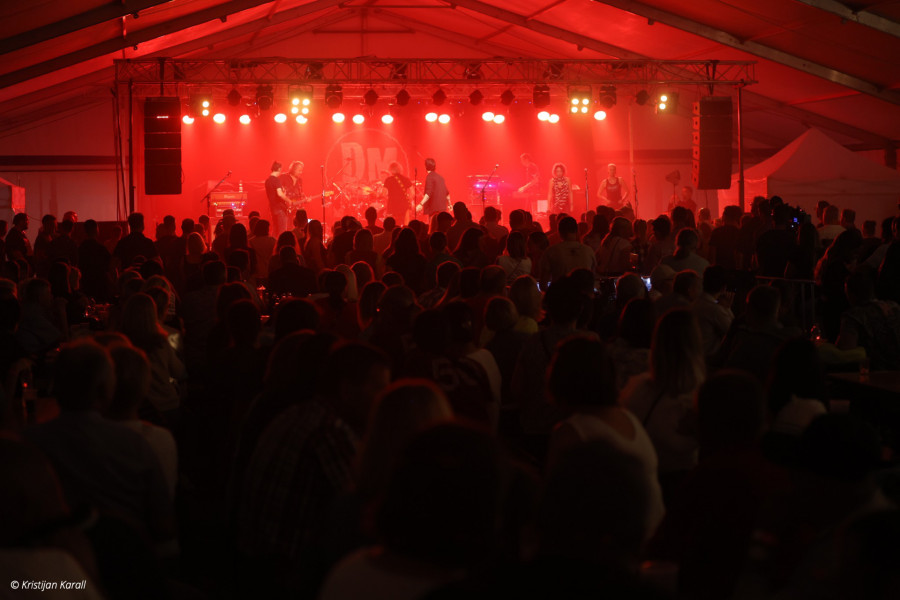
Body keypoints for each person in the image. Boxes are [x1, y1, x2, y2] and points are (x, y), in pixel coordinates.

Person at [546, 337, 665, 539]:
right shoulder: (627, 417)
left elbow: (554, 508)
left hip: (615, 546)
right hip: (650, 538)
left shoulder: (573, 433)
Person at [537, 216, 597, 289]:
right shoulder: (589, 251)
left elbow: (543, 284)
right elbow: (593, 279)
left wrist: (552, 294)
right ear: (577, 231)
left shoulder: (551, 251)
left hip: (561, 294)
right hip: (583, 294)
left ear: (559, 232)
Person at [266, 161, 291, 236]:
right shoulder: (276, 180)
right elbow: (279, 194)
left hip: (273, 209)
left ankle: (273, 243)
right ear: (279, 169)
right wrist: (288, 200)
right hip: (280, 209)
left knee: (275, 230)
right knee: (282, 232)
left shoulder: (267, 181)